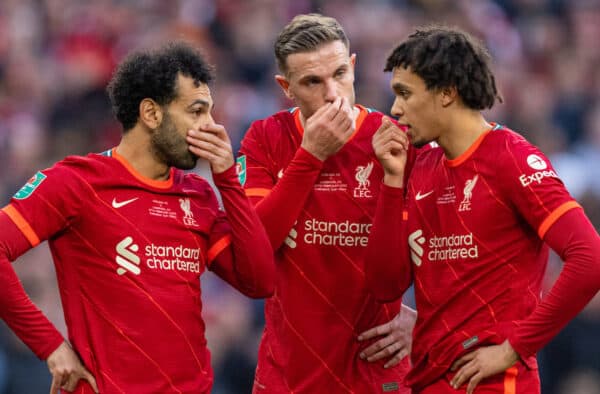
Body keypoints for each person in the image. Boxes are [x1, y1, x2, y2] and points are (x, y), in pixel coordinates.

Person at [0, 41, 275, 393]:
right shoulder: (77, 183)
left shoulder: (199, 194)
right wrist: (51, 347)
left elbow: (259, 281)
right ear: (151, 113)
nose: (211, 125)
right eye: (196, 111)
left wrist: (226, 179)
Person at [365, 25, 600, 394]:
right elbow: (385, 285)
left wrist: (516, 347)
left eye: (405, 93)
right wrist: (392, 183)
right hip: (428, 380)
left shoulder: (511, 157)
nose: (395, 108)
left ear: (446, 92)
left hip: (493, 383)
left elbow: (590, 258)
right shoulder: (421, 166)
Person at [189, 13, 417, 393]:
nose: (332, 93)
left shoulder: (394, 141)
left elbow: (454, 249)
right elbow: (254, 252)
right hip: (288, 376)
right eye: (313, 81)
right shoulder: (266, 138)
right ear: (286, 87)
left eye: (340, 74)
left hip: (376, 376)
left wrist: (425, 319)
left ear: (354, 67)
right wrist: (310, 156)